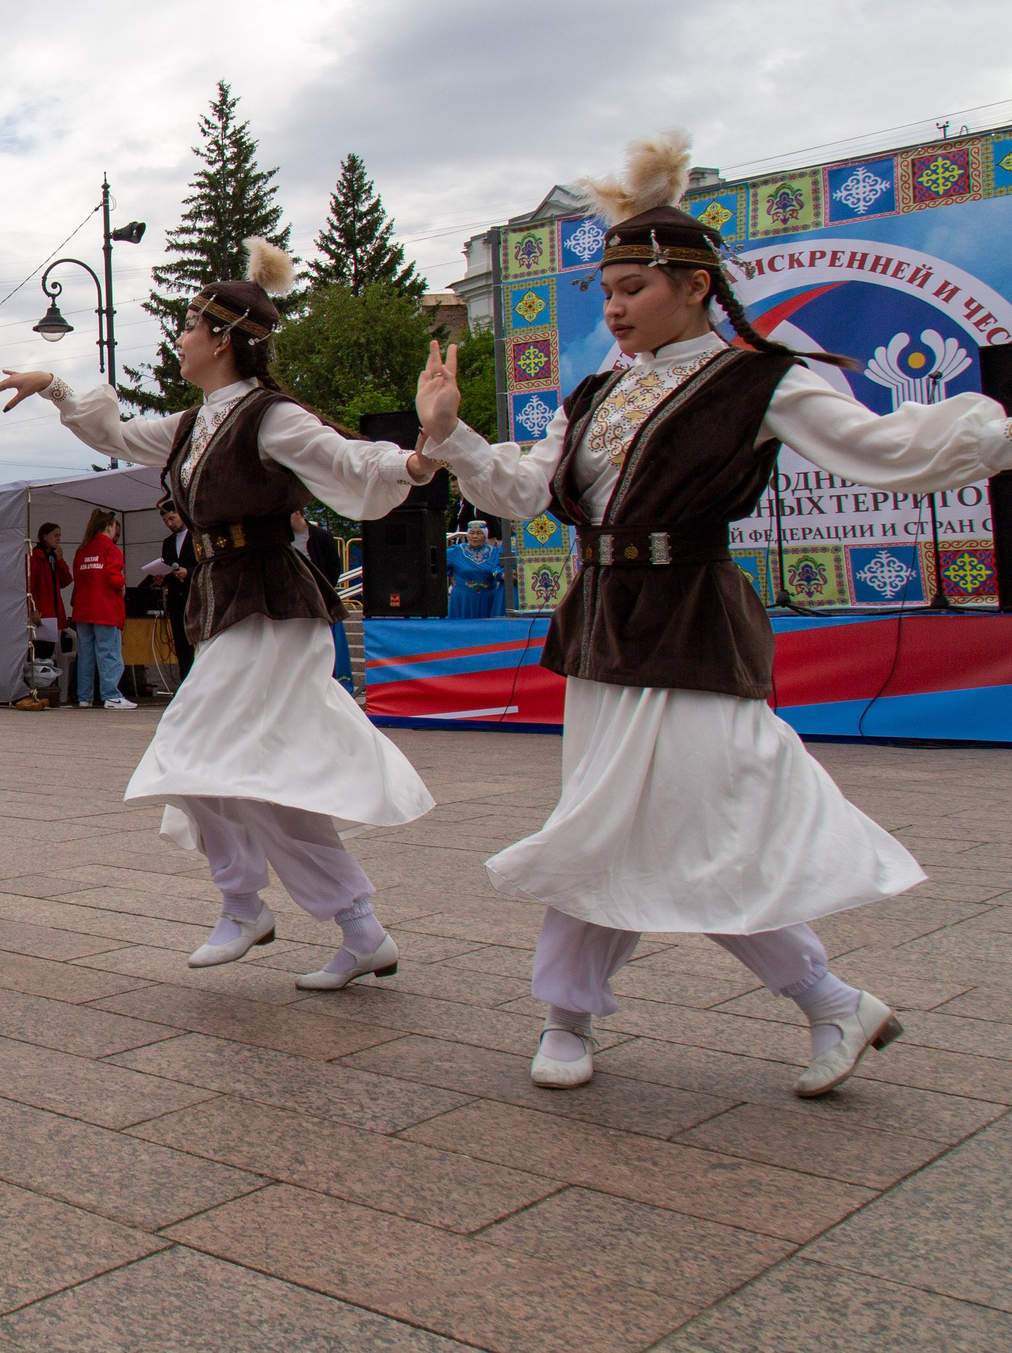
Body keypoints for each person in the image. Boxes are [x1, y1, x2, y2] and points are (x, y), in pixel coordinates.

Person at [413, 132, 1012, 1097]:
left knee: (694, 821)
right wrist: (451, 437)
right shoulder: (597, 390)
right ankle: (622, 1013)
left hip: (692, 617)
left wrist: (989, 431)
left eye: (632, 290)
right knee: (612, 823)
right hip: (604, 622)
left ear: (695, 286)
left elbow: (883, 447)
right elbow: (525, 495)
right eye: (605, 291)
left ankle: (789, 1003)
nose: (613, 308)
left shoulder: (758, 380)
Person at [0, 237, 434, 991]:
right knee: (251, 775)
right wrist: (58, 387)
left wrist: (415, 460)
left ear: (224, 339)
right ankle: (359, 929)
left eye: (192, 324)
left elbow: (347, 460)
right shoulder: (197, 425)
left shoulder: (270, 417)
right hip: (227, 601)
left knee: (192, 750)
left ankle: (241, 903)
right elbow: (121, 436)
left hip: (274, 606)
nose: (182, 335)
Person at [71, 508, 132, 709]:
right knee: (108, 653)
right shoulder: (111, 549)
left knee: (86, 655)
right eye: (115, 527)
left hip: (83, 610)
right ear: (109, 526)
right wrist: (122, 583)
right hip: (105, 610)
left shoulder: (82, 549)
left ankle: (84, 697)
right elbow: (114, 578)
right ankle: (111, 696)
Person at [296, 509, 354, 688]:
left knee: (329, 638)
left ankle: (336, 677)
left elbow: (333, 565)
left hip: (320, 597)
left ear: (298, 514)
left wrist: (326, 590)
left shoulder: (321, 536)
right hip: (296, 597)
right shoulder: (283, 539)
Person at [142, 502, 198, 680]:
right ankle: (185, 682)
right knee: (181, 644)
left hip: (195, 597)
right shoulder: (168, 542)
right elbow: (167, 568)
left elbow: (206, 566)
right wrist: (162, 578)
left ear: (181, 515)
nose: (169, 524)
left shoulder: (196, 536)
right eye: (166, 521)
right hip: (176, 599)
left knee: (197, 641)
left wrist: (188, 572)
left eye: (172, 518)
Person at [26, 522, 72, 705]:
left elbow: (66, 581)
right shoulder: (35, 557)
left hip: (54, 611)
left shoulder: (53, 557)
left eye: (60, 536)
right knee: (40, 655)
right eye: (55, 536)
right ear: (45, 536)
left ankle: (50, 692)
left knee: (49, 654)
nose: (58, 539)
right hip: (43, 612)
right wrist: (32, 608)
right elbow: (30, 584)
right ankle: (39, 691)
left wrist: (61, 560)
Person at [446, 520, 505, 618]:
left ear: (485, 536)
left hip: (488, 598)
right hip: (463, 599)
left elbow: (498, 569)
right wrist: (450, 574)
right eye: (471, 533)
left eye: (479, 533)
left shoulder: (494, 552)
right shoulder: (456, 551)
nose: (474, 536)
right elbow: (437, 562)